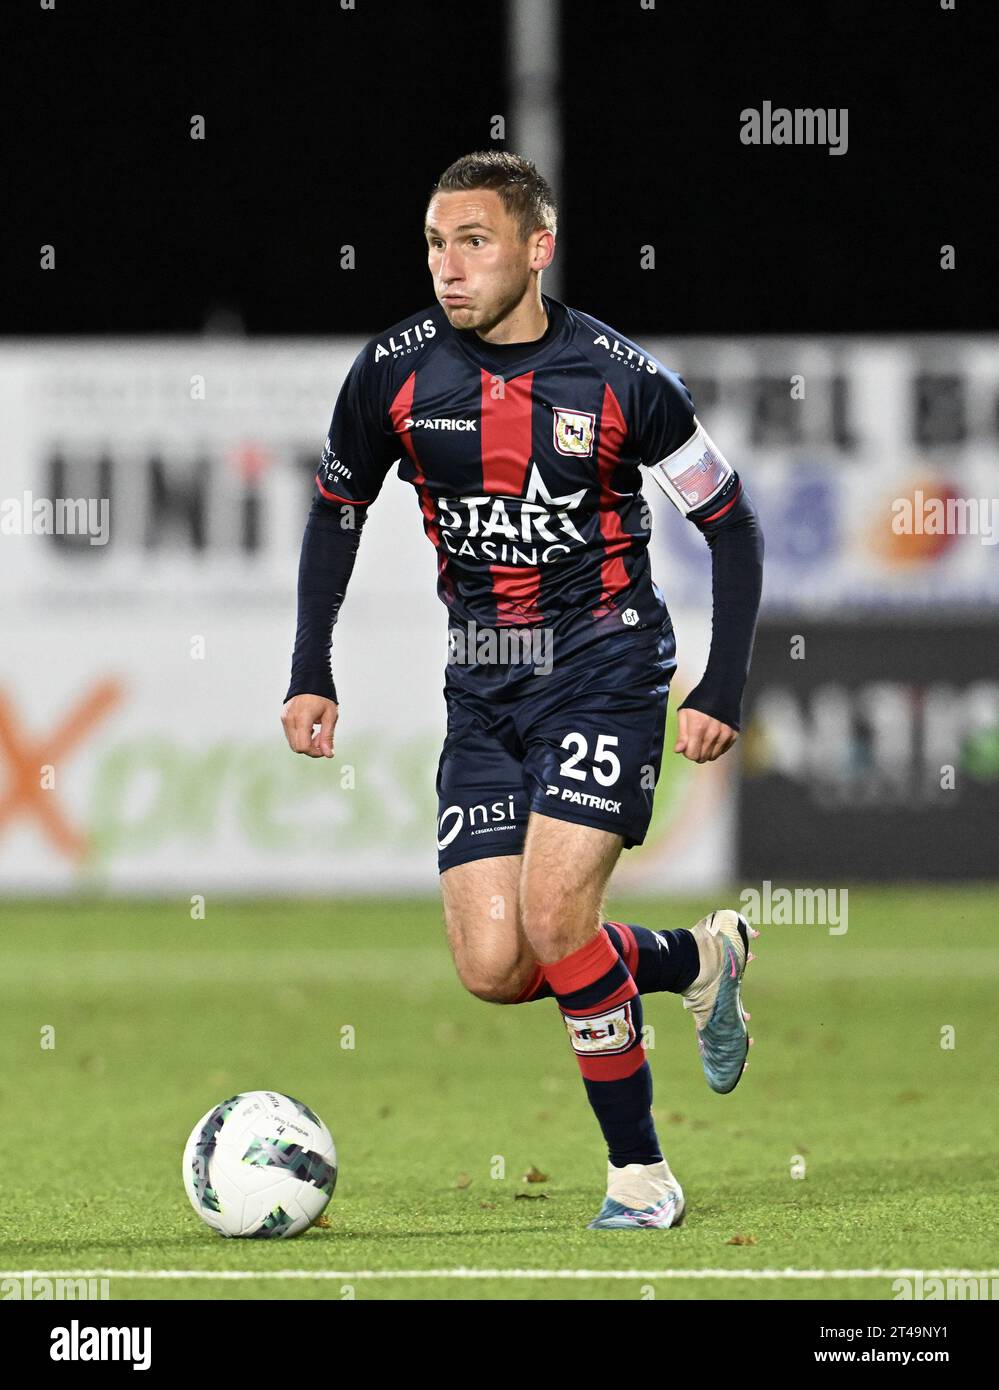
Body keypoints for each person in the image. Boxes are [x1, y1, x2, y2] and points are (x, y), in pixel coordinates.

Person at [282, 151, 763, 1229]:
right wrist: (311, 665)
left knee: (556, 918)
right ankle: (699, 957)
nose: (449, 268)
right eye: (435, 244)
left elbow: (729, 521)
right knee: (496, 964)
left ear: (537, 247)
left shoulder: (624, 379)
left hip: (605, 669)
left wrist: (720, 684)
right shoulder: (392, 374)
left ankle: (640, 1175)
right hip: (484, 690)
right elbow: (337, 510)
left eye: (475, 242)